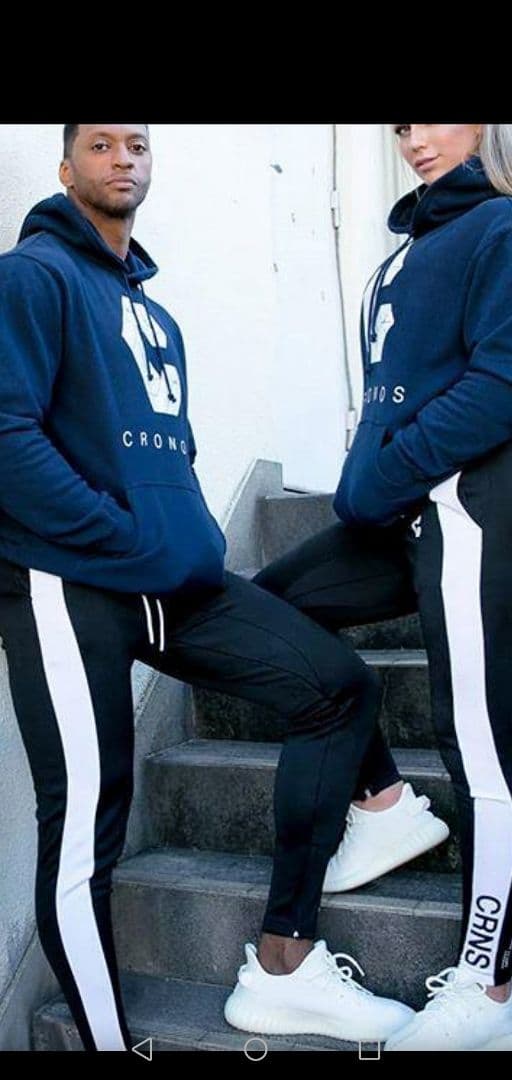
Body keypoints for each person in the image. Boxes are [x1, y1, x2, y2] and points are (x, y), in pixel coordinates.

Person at [0, 123, 441, 1052]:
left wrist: (186, 539)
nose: (124, 159)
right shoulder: (31, 278)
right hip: (69, 587)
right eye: (101, 145)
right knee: (87, 833)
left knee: (337, 686)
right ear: (66, 166)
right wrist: (123, 538)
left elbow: (172, 451)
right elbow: (7, 439)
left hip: (172, 582)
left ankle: (285, 964)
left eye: (137, 144)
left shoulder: (153, 314)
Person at [252, 124, 512, 1052]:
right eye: (399, 126)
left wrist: (389, 473)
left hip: (468, 510)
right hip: (401, 518)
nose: (413, 139)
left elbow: (501, 383)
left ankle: (491, 983)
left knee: (480, 747)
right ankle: (384, 802)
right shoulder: (407, 249)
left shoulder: (500, 227)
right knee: (268, 612)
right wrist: (373, 480)